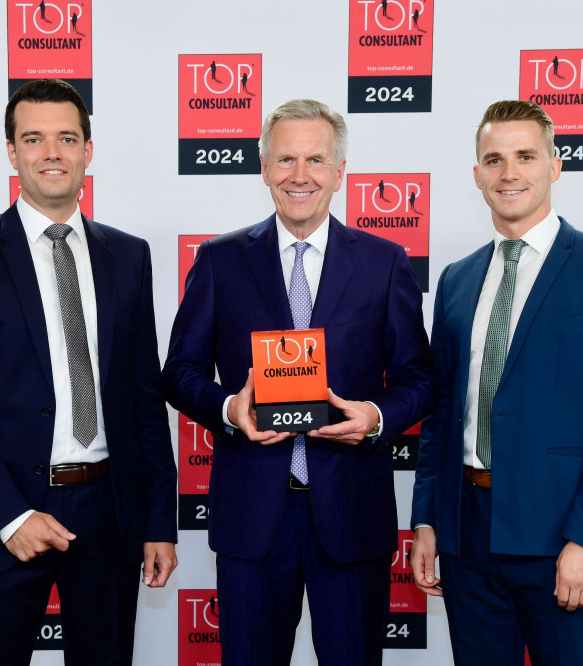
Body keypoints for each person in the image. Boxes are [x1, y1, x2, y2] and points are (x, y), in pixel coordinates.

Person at [0, 79, 177, 665]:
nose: (50, 152)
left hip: (108, 515)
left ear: (86, 149)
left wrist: (159, 519)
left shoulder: (128, 255)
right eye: (33, 139)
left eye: (66, 138)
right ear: (12, 152)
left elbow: (142, 399)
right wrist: (9, 516)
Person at [163, 98, 436, 666]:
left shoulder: (385, 262)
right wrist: (227, 408)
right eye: (285, 159)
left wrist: (377, 418)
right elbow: (180, 372)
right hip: (253, 517)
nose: (300, 175)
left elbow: (418, 376)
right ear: (263, 167)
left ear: (340, 172)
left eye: (315, 159)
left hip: (352, 513)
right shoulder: (219, 261)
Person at [410, 100, 583, 666]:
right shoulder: (456, 279)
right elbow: (443, 413)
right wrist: (428, 519)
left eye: (525, 156)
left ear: (555, 165)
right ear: (477, 176)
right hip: (466, 537)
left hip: (560, 539)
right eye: (493, 160)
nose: (509, 172)